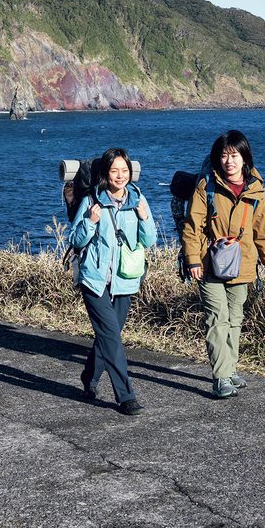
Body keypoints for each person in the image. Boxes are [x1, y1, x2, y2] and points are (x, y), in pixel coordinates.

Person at [179, 129, 265, 399]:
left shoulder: (256, 190)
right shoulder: (207, 187)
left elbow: (264, 230)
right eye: (224, 156)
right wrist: (192, 259)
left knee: (235, 319)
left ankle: (231, 367)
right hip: (208, 262)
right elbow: (192, 226)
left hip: (243, 263)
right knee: (216, 318)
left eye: (234, 155)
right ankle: (221, 377)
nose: (229, 161)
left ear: (245, 158)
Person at [69, 147, 157, 415]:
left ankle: (90, 378)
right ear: (105, 174)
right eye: (114, 171)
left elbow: (149, 240)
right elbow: (76, 240)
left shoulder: (138, 200)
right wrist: (91, 221)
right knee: (111, 337)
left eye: (125, 170)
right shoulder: (92, 201)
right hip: (94, 280)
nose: (120, 176)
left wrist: (144, 219)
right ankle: (125, 396)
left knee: (109, 336)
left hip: (125, 279)